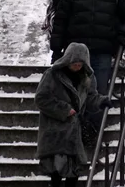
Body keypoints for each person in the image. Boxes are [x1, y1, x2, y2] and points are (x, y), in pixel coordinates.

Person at [35, 41, 94, 187]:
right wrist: (64, 109)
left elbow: (91, 97)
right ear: (68, 59)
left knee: (73, 173)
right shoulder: (52, 75)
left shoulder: (85, 79)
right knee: (57, 173)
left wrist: (103, 101)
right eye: (75, 62)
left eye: (81, 63)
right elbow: (41, 98)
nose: (77, 66)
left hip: (74, 133)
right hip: (56, 132)